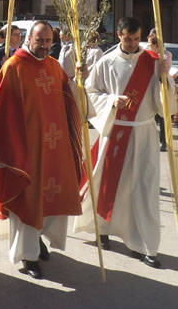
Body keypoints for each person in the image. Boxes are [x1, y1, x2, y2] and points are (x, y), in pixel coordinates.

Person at [0, 21, 83, 279]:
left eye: (49, 42)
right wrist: (10, 149)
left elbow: (69, 100)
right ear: (29, 38)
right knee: (27, 199)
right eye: (40, 41)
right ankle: (27, 257)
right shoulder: (13, 67)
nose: (45, 46)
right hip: (26, 153)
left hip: (54, 148)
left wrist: (79, 81)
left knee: (49, 198)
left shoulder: (55, 67)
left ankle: (37, 241)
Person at [74, 17, 174, 268]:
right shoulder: (106, 62)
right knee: (109, 186)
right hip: (116, 131)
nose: (132, 43)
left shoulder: (153, 63)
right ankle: (103, 229)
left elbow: (165, 107)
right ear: (118, 35)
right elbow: (90, 92)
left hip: (144, 135)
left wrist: (165, 79)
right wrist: (110, 101)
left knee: (144, 190)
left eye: (136, 38)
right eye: (127, 38)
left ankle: (145, 245)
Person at [147, 28, 172, 152]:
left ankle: (164, 141)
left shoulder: (166, 55)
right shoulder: (147, 55)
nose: (148, 46)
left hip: (161, 85)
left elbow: (165, 73)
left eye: (150, 43)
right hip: (149, 86)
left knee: (162, 115)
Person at [0, 25, 22, 91]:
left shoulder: (23, 53)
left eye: (19, 34)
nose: (19, 37)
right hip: (3, 90)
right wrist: (2, 65)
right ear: (8, 37)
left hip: (18, 91)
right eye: (15, 35)